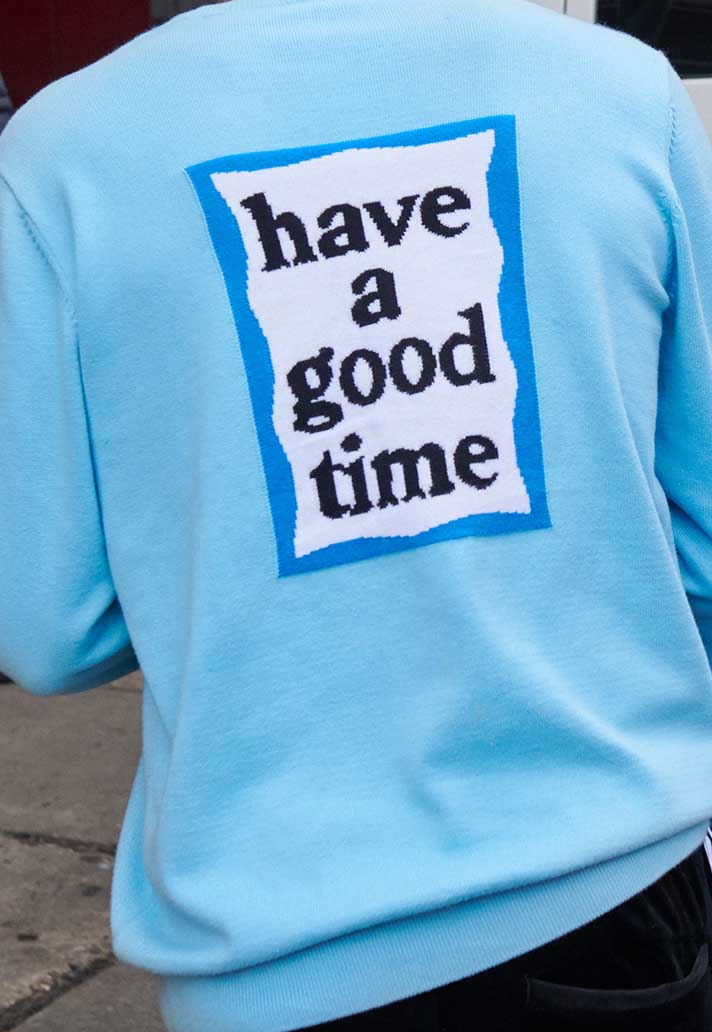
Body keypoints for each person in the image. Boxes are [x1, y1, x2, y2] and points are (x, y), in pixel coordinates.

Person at [1, 1, 711, 1029]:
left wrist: (225, 567)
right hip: (610, 883)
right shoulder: (617, 93)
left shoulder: (62, 155)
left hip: (271, 946)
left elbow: (48, 628)